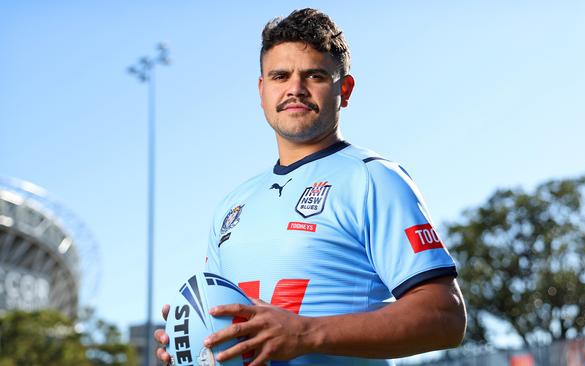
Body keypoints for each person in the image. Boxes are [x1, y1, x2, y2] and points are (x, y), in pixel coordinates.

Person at [156, 8, 466, 365]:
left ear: (344, 90)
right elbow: (227, 325)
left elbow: (446, 317)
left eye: (314, 75)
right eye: (280, 76)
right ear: (262, 90)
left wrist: (307, 332)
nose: (295, 89)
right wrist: (192, 344)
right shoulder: (232, 204)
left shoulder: (374, 179)